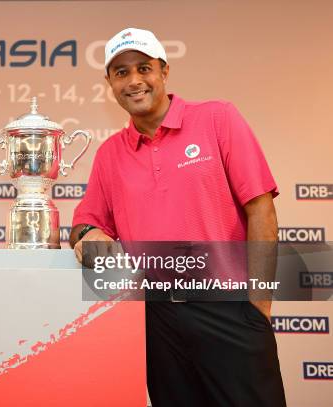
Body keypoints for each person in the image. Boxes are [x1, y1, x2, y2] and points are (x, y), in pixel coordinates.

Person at [70, 27, 286, 406]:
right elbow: (86, 222)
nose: (134, 81)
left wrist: (258, 304)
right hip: (157, 322)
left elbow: (261, 207)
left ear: (164, 71)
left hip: (230, 310)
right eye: (121, 73)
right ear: (109, 82)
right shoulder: (109, 154)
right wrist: (86, 235)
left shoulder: (217, 118)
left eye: (143, 68)